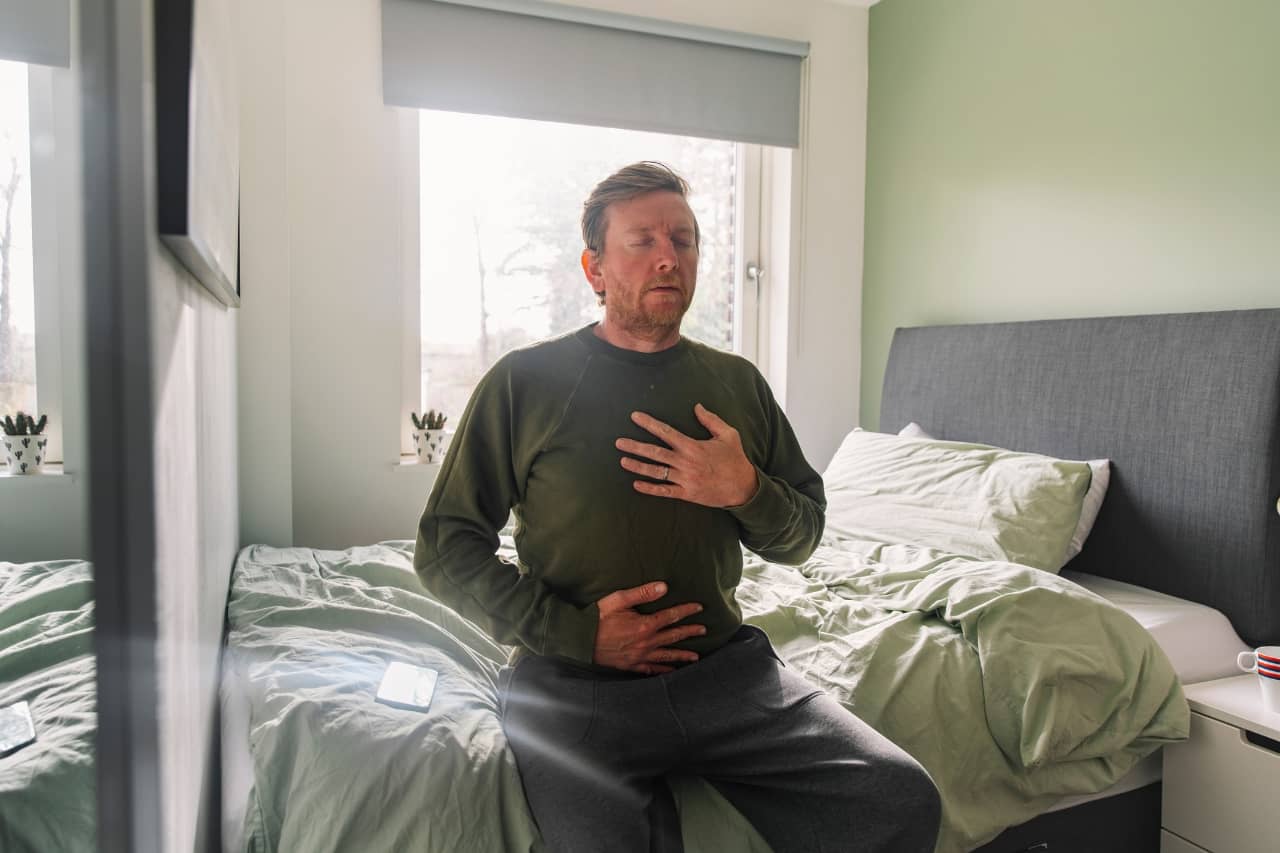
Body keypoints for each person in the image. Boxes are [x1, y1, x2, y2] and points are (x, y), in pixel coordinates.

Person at [414, 162, 940, 852]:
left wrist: (745, 489)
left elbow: (804, 534)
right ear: (594, 267)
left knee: (901, 799)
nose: (670, 256)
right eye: (643, 240)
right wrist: (576, 634)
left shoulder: (736, 384)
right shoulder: (524, 384)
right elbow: (445, 545)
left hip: (729, 678)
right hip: (576, 688)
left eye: (685, 240)